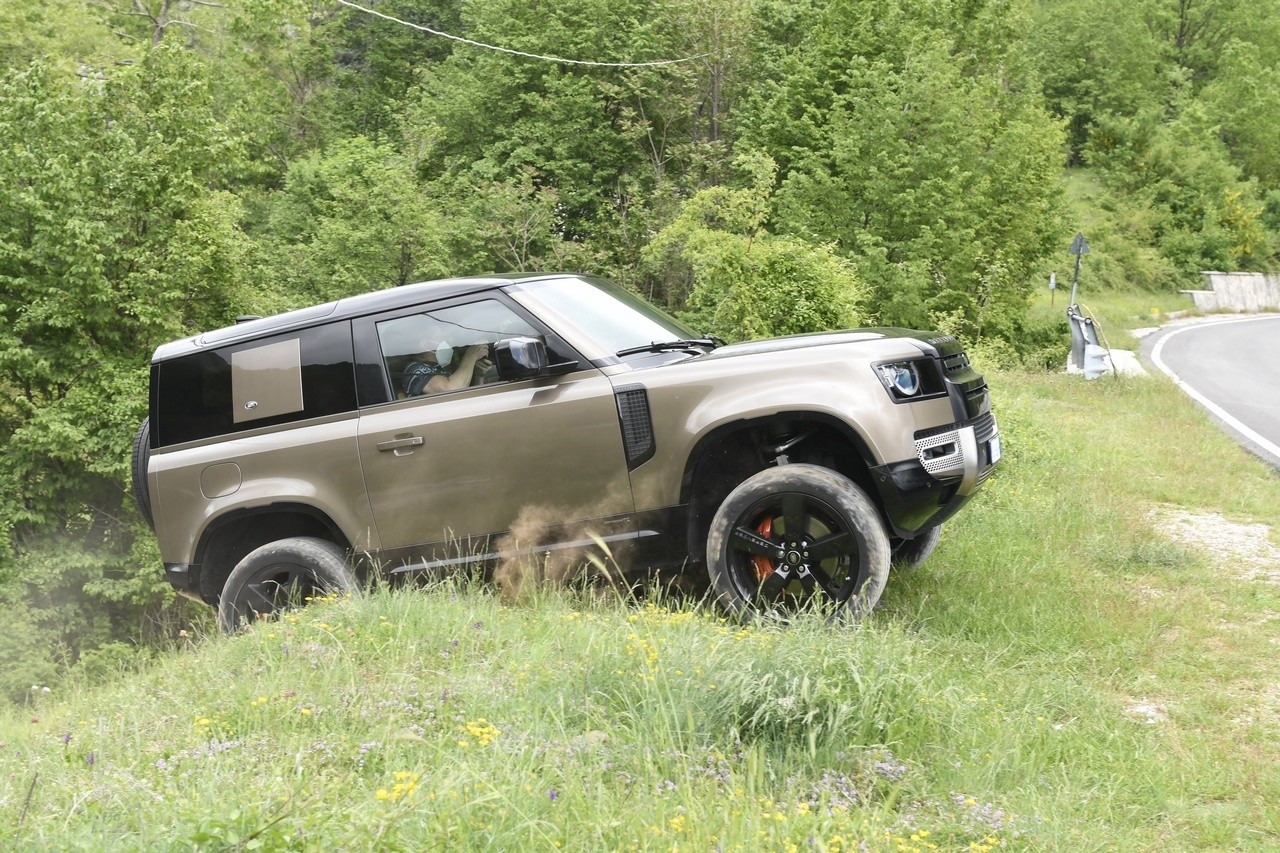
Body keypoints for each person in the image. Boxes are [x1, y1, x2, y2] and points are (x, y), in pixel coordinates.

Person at [402, 339, 492, 396]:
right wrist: (471, 355)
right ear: (426, 344)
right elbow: (452, 391)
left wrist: (479, 376)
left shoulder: (442, 370)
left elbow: (471, 398)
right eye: (443, 340)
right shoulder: (414, 369)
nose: (449, 346)